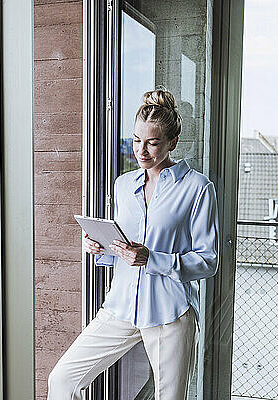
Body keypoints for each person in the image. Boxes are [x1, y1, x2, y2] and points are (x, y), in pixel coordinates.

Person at [47, 88, 220, 400]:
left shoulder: (197, 187)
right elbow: (124, 248)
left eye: (152, 143)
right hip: (121, 307)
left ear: (172, 143)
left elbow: (207, 260)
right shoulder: (124, 185)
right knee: (62, 379)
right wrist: (101, 248)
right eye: (137, 140)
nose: (142, 150)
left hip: (170, 313)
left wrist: (151, 259)